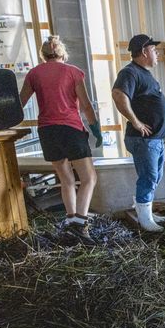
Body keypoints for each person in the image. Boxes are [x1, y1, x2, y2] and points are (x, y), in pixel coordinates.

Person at [19, 35, 102, 242]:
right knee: (89, 178)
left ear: (43, 54)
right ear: (62, 53)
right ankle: (81, 224)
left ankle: (71, 219)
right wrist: (95, 129)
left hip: (48, 131)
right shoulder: (73, 72)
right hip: (70, 130)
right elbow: (85, 105)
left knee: (66, 179)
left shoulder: (34, 74)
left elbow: (20, 102)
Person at [111, 34, 165, 232]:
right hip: (143, 139)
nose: (156, 54)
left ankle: (146, 212)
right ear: (144, 51)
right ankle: (145, 221)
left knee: (154, 176)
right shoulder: (130, 72)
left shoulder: (144, 73)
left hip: (154, 139)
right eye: (154, 50)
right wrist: (136, 122)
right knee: (148, 176)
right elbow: (119, 94)